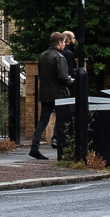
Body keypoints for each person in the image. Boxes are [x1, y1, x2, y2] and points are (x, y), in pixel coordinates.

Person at [31, 32, 73, 160]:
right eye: (64, 43)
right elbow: (62, 77)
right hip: (59, 94)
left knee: (42, 121)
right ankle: (64, 148)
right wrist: (70, 80)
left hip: (45, 93)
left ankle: (34, 147)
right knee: (64, 121)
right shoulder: (59, 57)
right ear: (59, 43)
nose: (65, 45)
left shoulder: (43, 56)